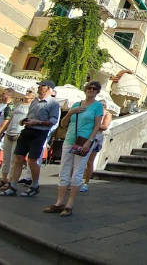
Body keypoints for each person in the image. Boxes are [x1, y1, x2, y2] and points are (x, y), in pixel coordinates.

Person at [43, 81, 103, 216]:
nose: (91, 90)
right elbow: (63, 124)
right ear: (85, 89)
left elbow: (97, 126)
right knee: (64, 170)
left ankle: (69, 204)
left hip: (83, 141)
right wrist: (71, 112)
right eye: (89, 88)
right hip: (69, 140)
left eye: (94, 89)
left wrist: (89, 141)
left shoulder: (97, 106)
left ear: (97, 92)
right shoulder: (76, 105)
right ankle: (59, 202)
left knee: (78, 171)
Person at [0, 80, 59, 197]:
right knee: (18, 158)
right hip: (27, 131)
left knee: (32, 161)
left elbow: (53, 121)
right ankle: (13, 186)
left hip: (39, 133)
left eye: (41, 86)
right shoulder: (35, 101)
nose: (38, 88)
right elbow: (30, 116)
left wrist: (37, 122)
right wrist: (25, 120)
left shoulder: (53, 104)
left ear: (48, 89)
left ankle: (35, 185)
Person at [0, 88, 34, 189]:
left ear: (33, 96)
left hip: (19, 134)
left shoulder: (32, 107)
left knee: (14, 159)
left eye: (29, 92)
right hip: (9, 132)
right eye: (27, 91)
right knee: (6, 157)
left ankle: (11, 180)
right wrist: (2, 131)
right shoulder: (18, 104)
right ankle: (4, 179)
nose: (27, 93)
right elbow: (10, 118)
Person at [81, 97, 113, 193]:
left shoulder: (107, 114)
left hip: (96, 139)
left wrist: (93, 124)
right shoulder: (94, 112)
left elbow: (104, 126)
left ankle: (86, 183)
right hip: (86, 136)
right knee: (79, 159)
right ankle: (75, 181)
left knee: (89, 161)